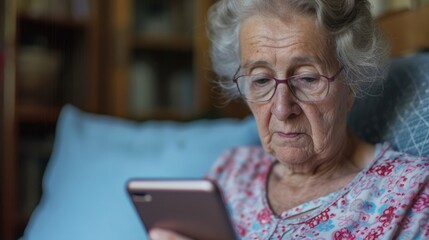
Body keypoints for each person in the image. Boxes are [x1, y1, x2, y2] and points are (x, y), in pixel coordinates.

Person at [149, 0, 429, 239]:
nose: (282, 108)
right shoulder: (232, 171)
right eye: (260, 80)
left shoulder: (410, 194)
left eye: (307, 78)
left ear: (351, 83)